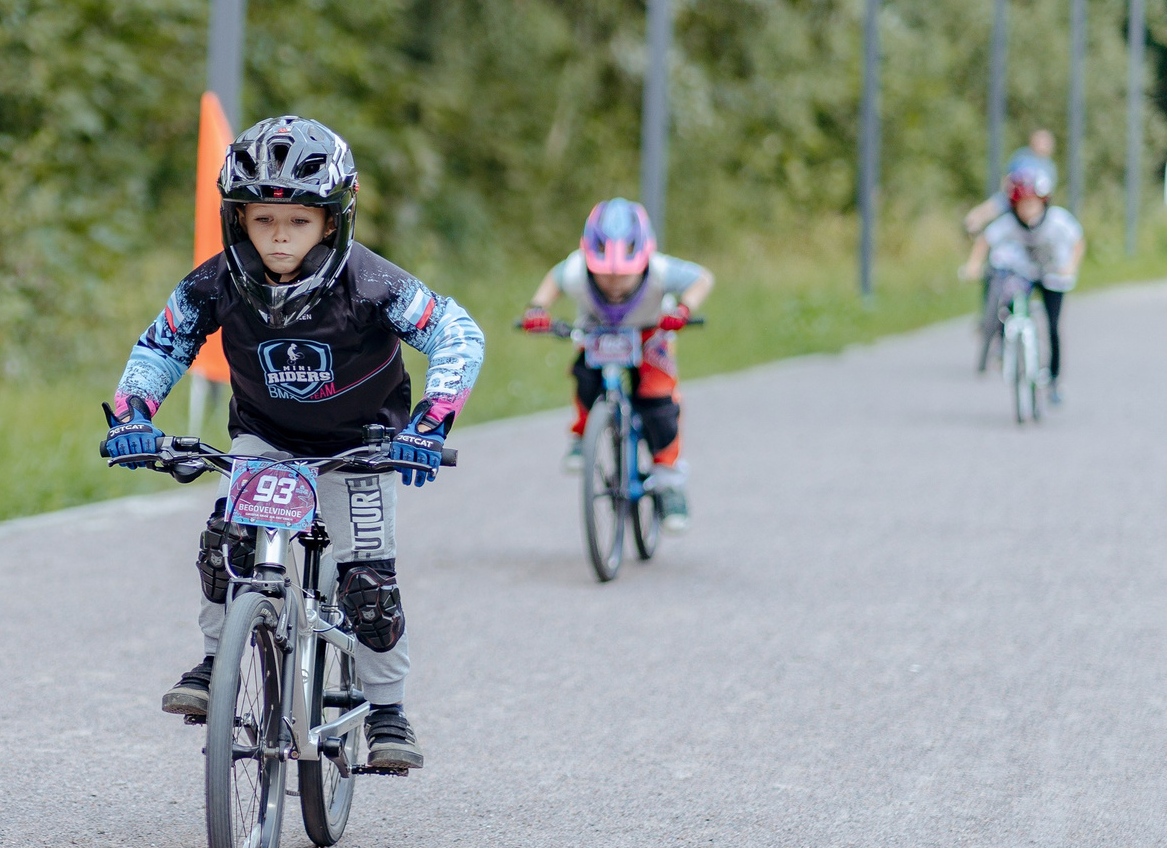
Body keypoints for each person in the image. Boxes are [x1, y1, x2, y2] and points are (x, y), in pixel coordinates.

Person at [102, 115, 484, 772]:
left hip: (363, 444)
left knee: (369, 583)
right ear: (237, 220)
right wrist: (132, 415)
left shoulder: (373, 283)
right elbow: (161, 346)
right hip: (266, 436)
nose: (280, 237)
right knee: (225, 547)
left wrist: (430, 422)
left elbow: (457, 333)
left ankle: (387, 710)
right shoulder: (215, 282)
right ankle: (217, 661)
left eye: (300, 221)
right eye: (264, 220)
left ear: (333, 222)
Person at [517, 199, 713, 531]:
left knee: (660, 403)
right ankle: (582, 437)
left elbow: (702, 279)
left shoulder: (662, 270)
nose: (615, 284)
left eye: (624, 275)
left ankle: (669, 482)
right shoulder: (576, 270)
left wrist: (684, 310)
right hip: (598, 332)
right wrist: (537, 307)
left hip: (650, 334)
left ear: (644, 261)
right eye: (605, 275)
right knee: (585, 378)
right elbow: (554, 280)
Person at [961, 156, 1084, 402]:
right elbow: (986, 240)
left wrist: (1070, 266)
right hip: (1025, 271)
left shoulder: (1058, 220)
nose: (1027, 211)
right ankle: (1005, 343)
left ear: (1043, 202)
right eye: (1022, 206)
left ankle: (1053, 380)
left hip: (1054, 273)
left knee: (1052, 326)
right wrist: (973, 265)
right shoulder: (1009, 223)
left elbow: (1077, 242)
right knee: (1007, 299)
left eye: (1032, 205)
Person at [963, 129, 1060, 238]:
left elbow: (1048, 193)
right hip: (1009, 200)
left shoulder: (1049, 167)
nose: (1042, 145)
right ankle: (976, 240)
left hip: (1031, 207)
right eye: (1040, 141)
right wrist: (1008, 193)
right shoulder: (1022, 157)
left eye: (1046, 143)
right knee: (974, 218)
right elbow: (1007, 179)